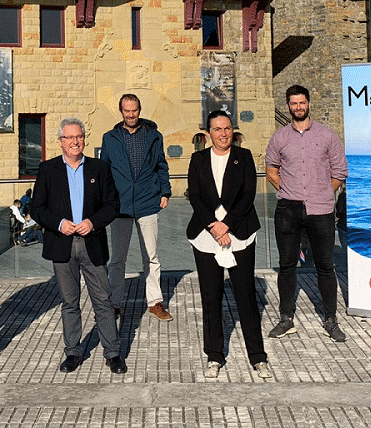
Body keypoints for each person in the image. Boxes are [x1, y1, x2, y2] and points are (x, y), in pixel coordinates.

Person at [31, 118, 126, 375]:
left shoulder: (100, 168)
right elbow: (37, 208)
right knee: (69, 302)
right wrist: (59, 223)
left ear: (84, 139)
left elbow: (113, 205)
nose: (75, 142)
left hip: (92, 242)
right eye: (69, 137)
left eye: (79, 137)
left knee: (103, 300)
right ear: (60, 141)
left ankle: (113, 353)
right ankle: (73, 352)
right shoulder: (48, 169)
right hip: (62, 244)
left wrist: (93, 222)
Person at [187, 110, 271, 379]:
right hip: (206, 236)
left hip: (240, 233)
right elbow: (195, 196)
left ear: (232, 131)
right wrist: (214, 225)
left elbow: (248, 195)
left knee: (246, 297)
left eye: (227, 128)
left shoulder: (243, 157)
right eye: (217, 129)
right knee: (211, 297)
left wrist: (227, 225)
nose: (223, 134)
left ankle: (257, 356)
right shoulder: (198, 159)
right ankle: (214, 355)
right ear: (208, 133)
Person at [265, 84, 348, 342]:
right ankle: (285, 318)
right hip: (288, 208)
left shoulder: (327, 136)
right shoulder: (279, 137)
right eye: (294, 103)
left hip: (320, 208)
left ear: (308, 104)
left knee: (325, 266)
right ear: (288, 106)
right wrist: (288, 190)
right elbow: (271, 169)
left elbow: (340, 171)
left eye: (302, 103)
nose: (298, 107)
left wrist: (322, 192)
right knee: (287, 265)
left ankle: (331, 319)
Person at [100, 94, 173, 320]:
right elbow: (104, 171)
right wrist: (104, 198)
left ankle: (155, 302)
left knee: (151, 256)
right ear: (121, 111)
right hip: (120, 205)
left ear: (139, 110)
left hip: (147, 201)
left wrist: (165, 191)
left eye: (134, 110)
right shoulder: (110, 138)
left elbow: (161, 166)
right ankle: (114, 303)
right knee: (117, 258)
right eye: (127, 111)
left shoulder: (153, 136)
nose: (131, 115)